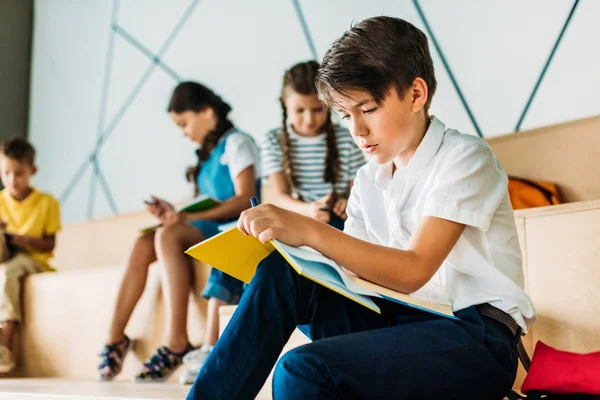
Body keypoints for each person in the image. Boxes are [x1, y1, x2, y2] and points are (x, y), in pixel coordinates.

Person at [187, 16, 536, 400]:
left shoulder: (465, 157)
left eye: (367, 109)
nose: (357, 130)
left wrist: (310, 231)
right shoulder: (369, 180)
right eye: (344, 115)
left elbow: (414, 270)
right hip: (398, 321)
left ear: (416, 95)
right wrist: (292, 250)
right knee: (281, 272)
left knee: (301, 370)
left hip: (476, 338)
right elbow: (354, 278)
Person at [97, 82, 260, 383]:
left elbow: (243, 196)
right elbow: (202, 204)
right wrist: (174, 212)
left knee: (168, 235)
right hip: (206, 225)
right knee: (145, 240)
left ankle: (176, 341)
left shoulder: (238, 143)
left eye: (185, 123)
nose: (185, 132)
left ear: (206, 111)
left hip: (234, 226)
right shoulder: (206, 156)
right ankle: (114, 338)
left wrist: (184, 217)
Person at [261, 60, 365, 230]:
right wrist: (309, 210)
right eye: (300, 111)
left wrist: (347, 202)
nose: (309, 119)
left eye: (317, 110)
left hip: (340, 222)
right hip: (296, 219)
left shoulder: (346, 139)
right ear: (285, 104)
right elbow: (280, 196)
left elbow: (360, 191)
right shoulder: (273, 141)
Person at [0, 138, 61, 373]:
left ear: (32, 171)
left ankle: (5, 345)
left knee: (7, 273)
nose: (12, 180)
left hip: (32, 259)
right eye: (6, 173)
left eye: (19, 173)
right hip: (4, 254)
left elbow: (50, 245)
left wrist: (22, 239)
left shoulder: (47, 203)